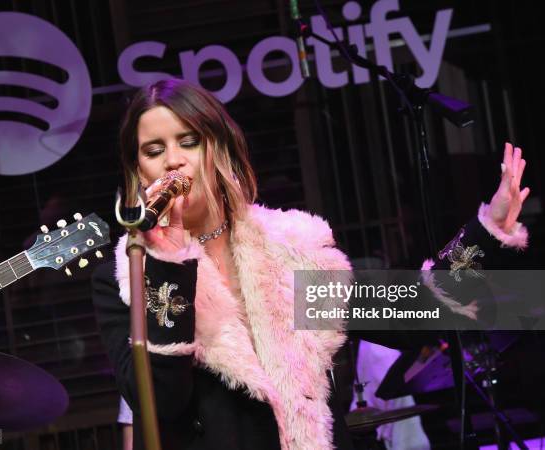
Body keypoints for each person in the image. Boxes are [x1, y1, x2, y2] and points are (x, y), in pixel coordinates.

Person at [91, 78, 530, 450]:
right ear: (139, 170)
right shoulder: (127, 275)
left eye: (189, 141)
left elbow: (411, 311)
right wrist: (169, 260)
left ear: (217, 148)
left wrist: (486, 230)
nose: (173, 160)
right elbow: (161, 402)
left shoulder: (287, 248)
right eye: (154, 149)